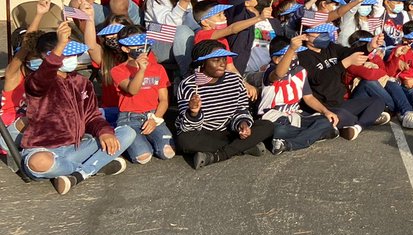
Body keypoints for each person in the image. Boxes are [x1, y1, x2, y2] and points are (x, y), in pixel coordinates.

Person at [19, 24, 136, 194]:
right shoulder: (35, 81)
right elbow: (41, 80)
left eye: (74, 53)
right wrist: (60, 46)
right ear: (48, 56)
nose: (73, 57)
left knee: (127, 133)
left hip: (76, 148)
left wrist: (104, 131)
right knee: (38, 163)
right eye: (68, 53)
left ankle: (80, 173)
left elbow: (92, 116)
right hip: (45, 150)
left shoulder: (82, 82)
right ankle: (94, 166)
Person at [174, 40, 275, 168]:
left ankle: (217, 156)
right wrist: (193, 113)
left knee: (267, 126)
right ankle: (242, 147)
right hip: (203, 133)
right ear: (202, 63)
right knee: (184, 141)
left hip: (228, 130)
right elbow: (187, 127)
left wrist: (242, 125)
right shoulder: (189, 85)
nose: (222, 64)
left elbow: (241, 110)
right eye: (216, 60)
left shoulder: (235, 80)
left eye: (224, 59)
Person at [258, 35, 338, 153]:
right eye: (291, 55)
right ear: (276, 59)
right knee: (279, 130)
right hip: (273, 118)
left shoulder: (300, 71)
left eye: (295, 54)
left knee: (326, 121)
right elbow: (279, 74)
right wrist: (291, 49)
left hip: (295, 116)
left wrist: (325, 111)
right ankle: (316, 135)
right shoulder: (270, 70)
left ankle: (287, 143)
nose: (294, 57)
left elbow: (308, 97)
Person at [111, 32, 175, 163]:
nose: (143, 49)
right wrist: (141, 70)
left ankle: (145, 140)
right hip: (129, 117)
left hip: (152, 114)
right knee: (143, 156)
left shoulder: (158, 68)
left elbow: (163, 100)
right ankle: (126, 138)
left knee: (168, 152)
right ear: (125, 48)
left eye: (145, 45)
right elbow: (132, 90)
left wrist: (155, 119)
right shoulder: (118, 70)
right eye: (138, 46)